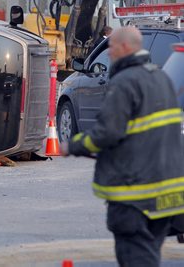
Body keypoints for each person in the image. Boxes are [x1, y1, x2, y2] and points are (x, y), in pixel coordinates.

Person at [61, 26, 184, 266]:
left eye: (113, 48)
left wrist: (73, 146)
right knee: (149, 253)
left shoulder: (124, 83)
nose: (110, 53)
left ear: (126, 47)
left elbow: (106, 133)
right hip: (165, 195)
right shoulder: (162, 78)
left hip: (134, 194)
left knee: (136, 258)